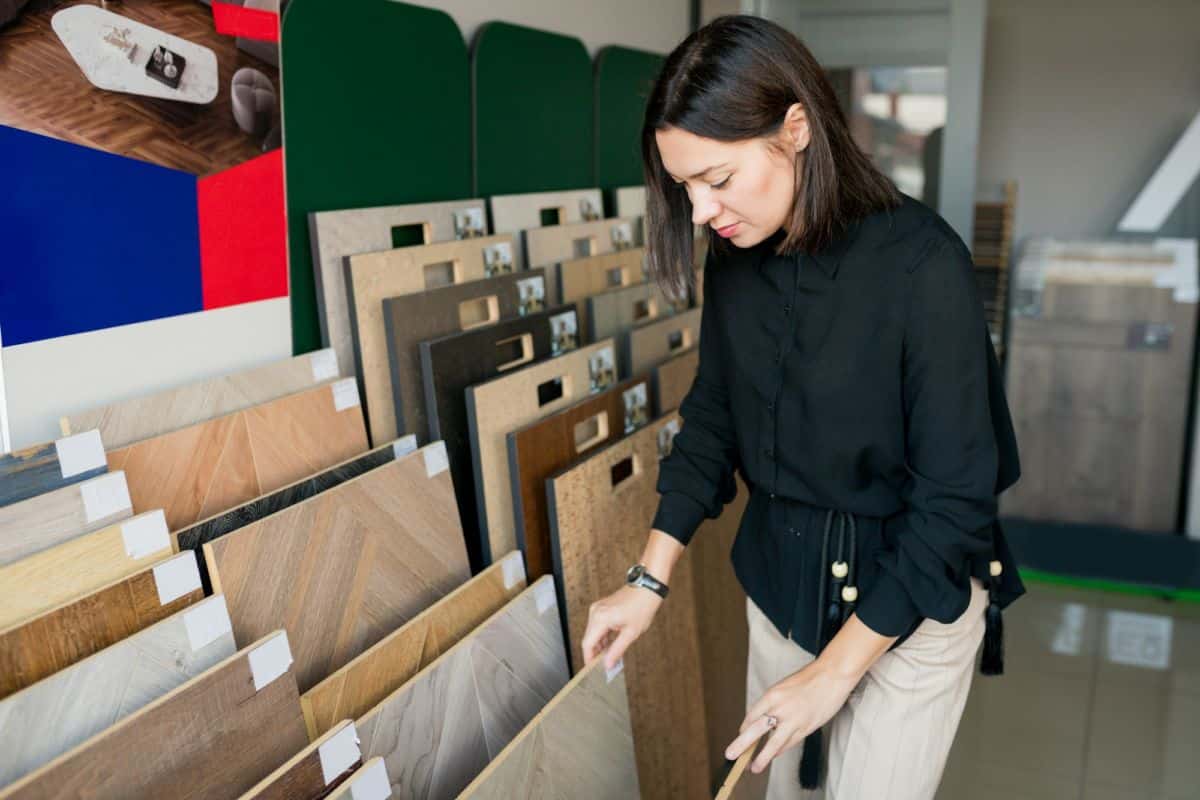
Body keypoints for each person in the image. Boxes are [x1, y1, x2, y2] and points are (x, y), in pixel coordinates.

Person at [579, 15, 1025, 799]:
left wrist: (832, 676)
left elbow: (954, 502)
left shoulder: (924, 265)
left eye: (715, 179)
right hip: (786, 578)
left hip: (913, 594)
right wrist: (647, 581)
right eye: (683, 187)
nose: (699, 212)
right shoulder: (737, 252)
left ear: (796, 128)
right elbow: (714, 416)